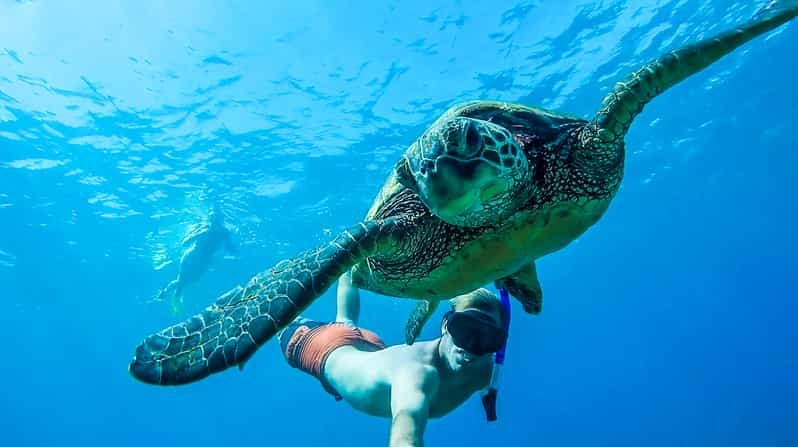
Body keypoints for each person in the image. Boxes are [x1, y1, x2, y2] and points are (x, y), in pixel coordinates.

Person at [278, 271, 510, 447]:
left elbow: (487, 380)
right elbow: (406, 430)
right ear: (445, 325)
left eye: (487, 338)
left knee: (345, 321)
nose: (470, 347)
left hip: (372, 350)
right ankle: (342, 264)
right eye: (464, 330)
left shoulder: (485, 368)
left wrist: (489, 398)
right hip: (320, 345)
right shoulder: (418, 374)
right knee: (279, 321)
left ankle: (351, 268)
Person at [156, 202, 237, 313]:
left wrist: (235, 252)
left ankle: (168, 294)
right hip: (191, 257)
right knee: (182, 281)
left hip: (204, 261)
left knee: (189, 281)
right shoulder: (204, 229)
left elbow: (228, 247)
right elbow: (184, 243)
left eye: (216, 218)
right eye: (212, 218)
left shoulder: (224, 232)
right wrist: (199, 234)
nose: (214, 221)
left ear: (221, 219)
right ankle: (167, 294)